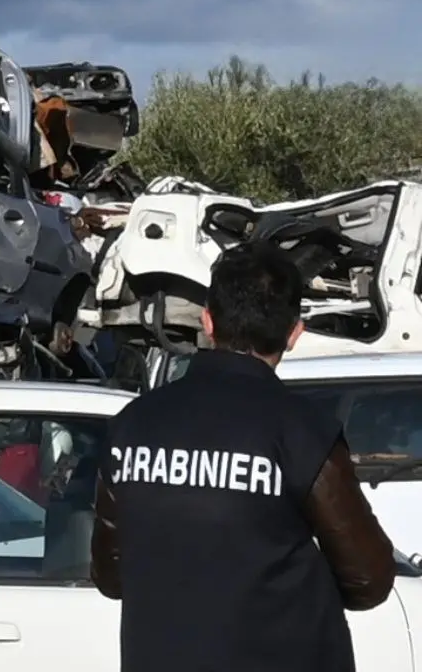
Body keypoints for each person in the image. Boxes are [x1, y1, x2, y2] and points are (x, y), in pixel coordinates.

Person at [90, 241, 395, 672]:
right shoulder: (302, 431)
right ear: (294, 333)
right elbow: (368, 578)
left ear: (208, 322)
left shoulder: (132, 424)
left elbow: (110, 574)